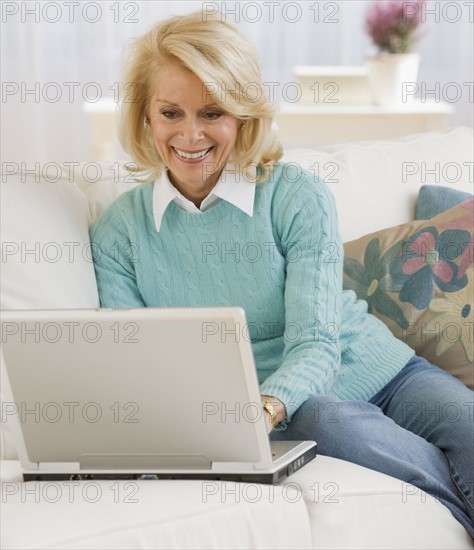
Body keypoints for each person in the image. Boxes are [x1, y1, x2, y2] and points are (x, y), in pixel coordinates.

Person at [89, 11, 474, 536]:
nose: (190, 134)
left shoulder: (295, 195)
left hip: (386, 375)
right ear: (144, 117)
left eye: (212, 112)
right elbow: (138, 363)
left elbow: (317, 343)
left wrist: (264, 407)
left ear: (243, 115)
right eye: (170, 113)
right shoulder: (120, 233)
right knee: (323, 418)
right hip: (300, 414)